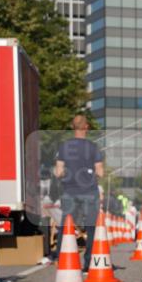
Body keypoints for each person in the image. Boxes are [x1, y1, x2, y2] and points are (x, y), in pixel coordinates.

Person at [53, 115, 103, 271]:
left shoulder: (64, 147)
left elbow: (58, 172)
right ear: (86, 127)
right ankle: (89, 263)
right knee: (91, 227)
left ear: (72, 127)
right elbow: (100, 172)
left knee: (66, 225)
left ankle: (62, 260)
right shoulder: (93, 147)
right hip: (89, 191)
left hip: (70, 190)